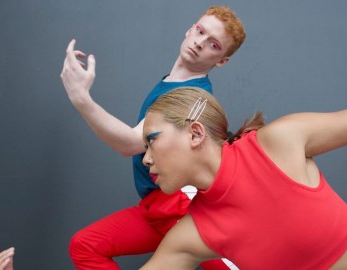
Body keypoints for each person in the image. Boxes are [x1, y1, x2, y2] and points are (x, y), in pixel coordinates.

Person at [138, 72, 347, 269]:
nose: (146, 159)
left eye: (152, 142)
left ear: (195, 133)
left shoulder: (280, 141)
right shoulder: (192, 234)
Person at [60, 6, 245, 270]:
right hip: (153, 207)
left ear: (222, 60)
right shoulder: (170, 83)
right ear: (190, 28)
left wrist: (81, 98)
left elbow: (132, 143)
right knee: (85, 245)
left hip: (181, 208)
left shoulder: (192, 95)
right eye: (200, 31)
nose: (199, 43)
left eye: (213, 44)